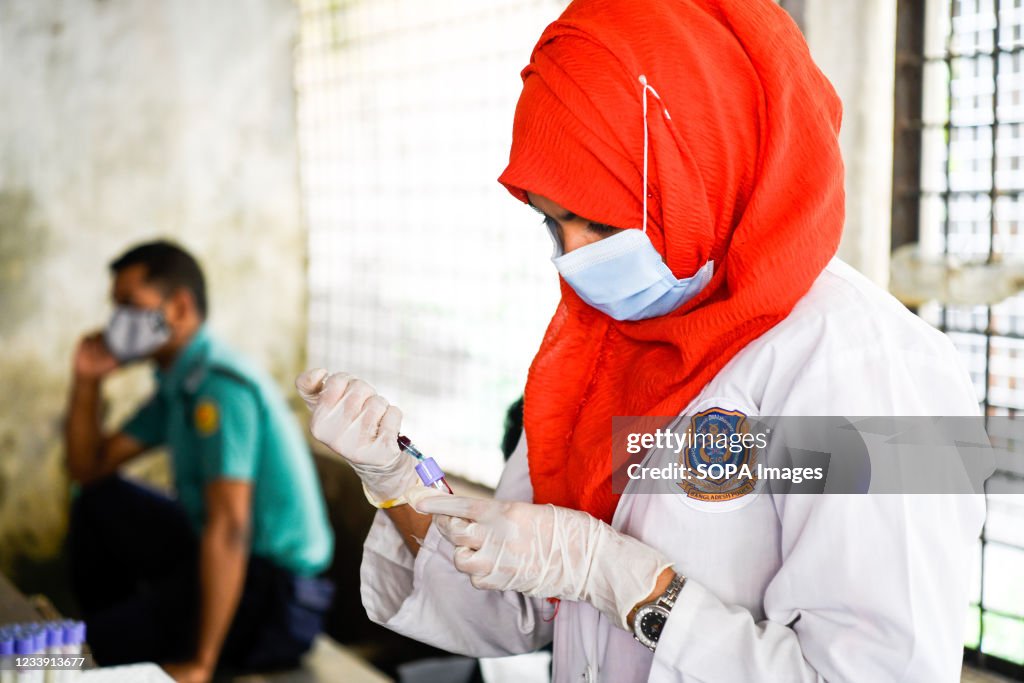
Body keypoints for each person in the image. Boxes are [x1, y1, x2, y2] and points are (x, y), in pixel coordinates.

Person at [296, 1, 986, 681]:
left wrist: (619, 576)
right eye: (552, 224)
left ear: (701, 167)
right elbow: (511, 606)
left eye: (599, 222)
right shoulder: (603, 340)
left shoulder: (871, 368)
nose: (572, 257)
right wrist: (398, 478)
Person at [65, 241, 334, 683]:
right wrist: (86, 382)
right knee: (98, 498)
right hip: (225, 557)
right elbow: (88, 467)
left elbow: (230, 527)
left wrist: (200, 663)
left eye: (129, 305)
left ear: (180, 306)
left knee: (74, 653)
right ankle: (131, 626)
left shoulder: (220, 386)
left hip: (278, 597)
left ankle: (131, 641)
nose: (116, 322)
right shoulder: (179, 383)